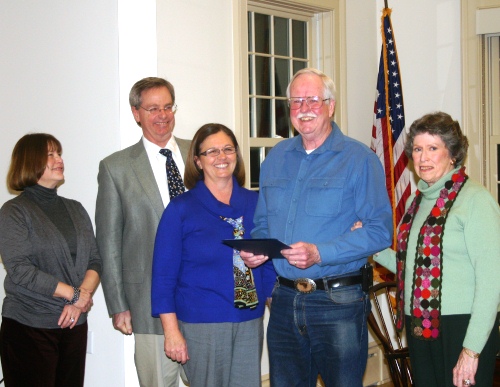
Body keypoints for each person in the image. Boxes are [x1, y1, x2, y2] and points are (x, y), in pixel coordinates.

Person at [240, 68, 393, 387]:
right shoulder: (275, 159)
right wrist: (258, 250)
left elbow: (380, 230)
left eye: (312, 99)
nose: (303, 108)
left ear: (331, 105)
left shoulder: (359, 159)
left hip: (338, 303)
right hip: (283, 302)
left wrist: (320, 253)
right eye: (295, 101)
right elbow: (262, 224)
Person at [372, 112, 500, 387]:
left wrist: (471, 349)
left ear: (452, 154)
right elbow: (415, 268)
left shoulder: (476, 201)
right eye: (417, 149)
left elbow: (492, 282)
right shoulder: (417, 203)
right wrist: (373, 248)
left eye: (433, 148)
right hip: (420, 324)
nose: (423, 157)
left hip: (462, 328)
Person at [151, 123, 276, 387]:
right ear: (197, 161)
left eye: (228, 149)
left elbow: (268, 262)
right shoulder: (181, 209)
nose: (222, 157)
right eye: (212, 151)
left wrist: (274, 304)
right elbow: (163, 276)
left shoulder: (256, 203)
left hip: (249, 319)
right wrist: (171, 332)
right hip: (202, 322)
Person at [95, 77, 191, 387]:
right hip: (148, 303)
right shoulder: (116, 167)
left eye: (167, 107)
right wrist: (118, 303)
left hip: (204, 299)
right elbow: (108, 240)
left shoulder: (200, 153)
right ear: (137, 113)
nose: (163, 115)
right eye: (153, 109)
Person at [0, 133, 101, 387]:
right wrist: (73, 295)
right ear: (30, 161)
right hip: (29, 326)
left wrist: (79, 301)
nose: (59, 159)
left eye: (59, 153)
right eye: (50, 154)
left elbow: (95, 260)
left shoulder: (76, 208)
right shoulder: (14, 212)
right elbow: (20, 270)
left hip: (74, 324)